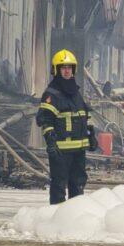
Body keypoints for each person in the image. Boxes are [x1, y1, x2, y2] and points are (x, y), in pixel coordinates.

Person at [36, 49, 98, 204]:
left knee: (78, 185)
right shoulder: (51, 94)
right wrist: (50, 141)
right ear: (56, 70)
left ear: (73, 70)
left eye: (69, 68)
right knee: (59, 185)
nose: (66, 71)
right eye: (63, 68)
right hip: (60, 150)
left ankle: (74, 218)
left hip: (79, 150)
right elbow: (45, 120)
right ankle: (57, 218)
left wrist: (91, 135)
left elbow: (84, 115)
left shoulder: (76, 92)